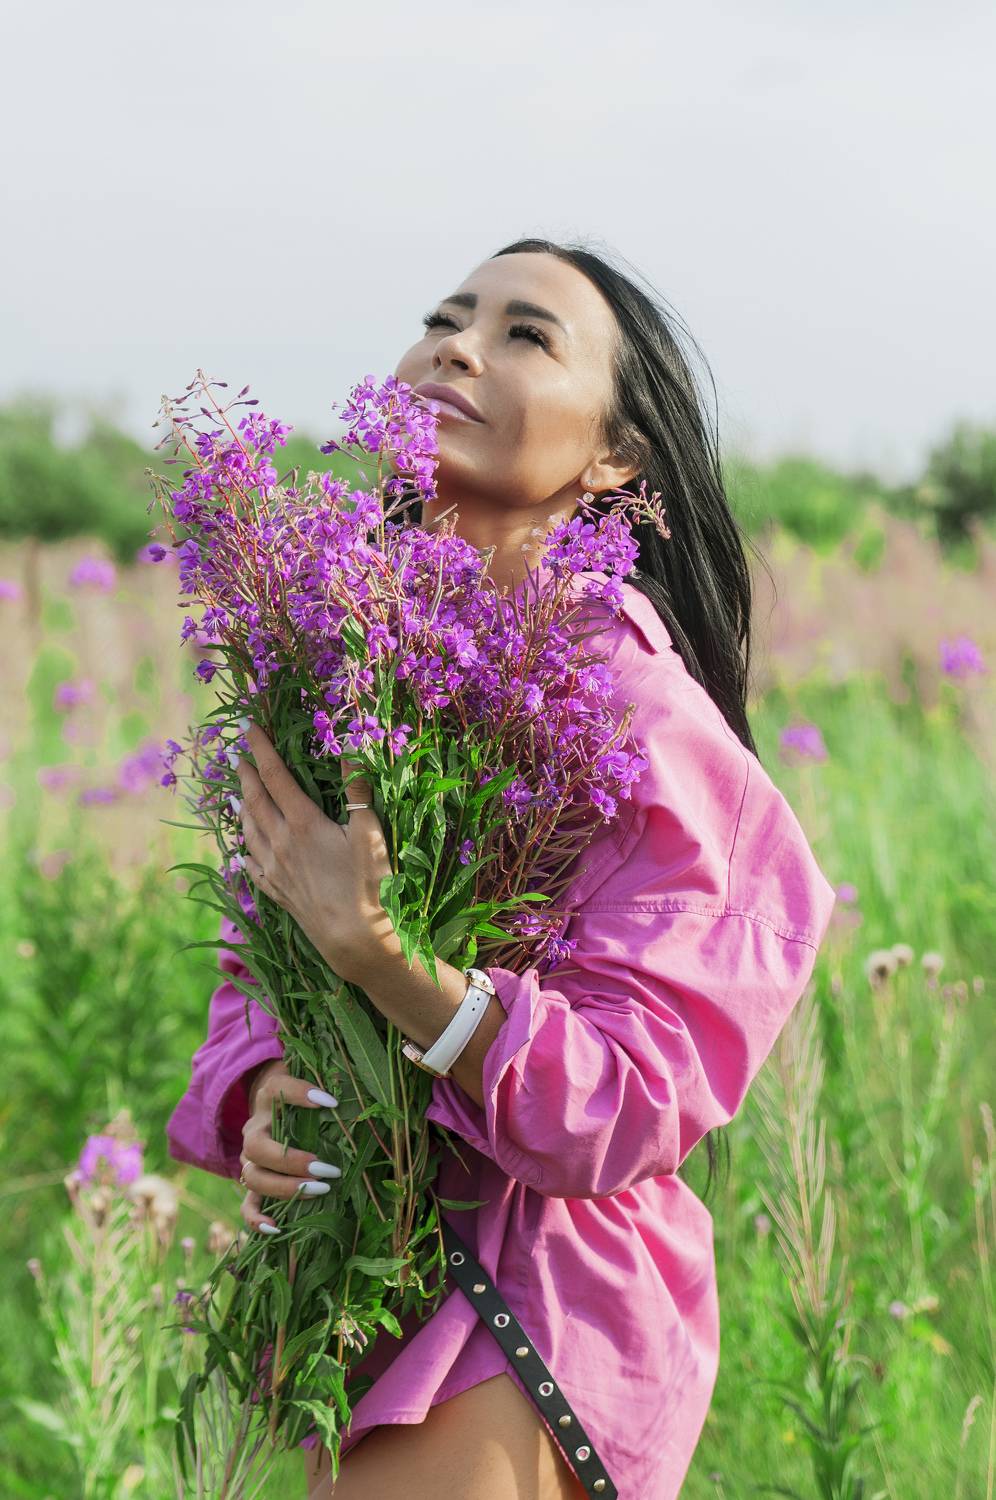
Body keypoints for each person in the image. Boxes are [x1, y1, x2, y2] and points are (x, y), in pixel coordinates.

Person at [166, 239, 838, 1499]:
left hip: (531, 1298)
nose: (458, 348)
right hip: (349, 1296)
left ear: (615, 458)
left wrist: (385, 962)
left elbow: (632, 1097)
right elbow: (262, 955)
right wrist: (264, 1097)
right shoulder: (336, 666)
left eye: (527, 335)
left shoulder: (633, 706)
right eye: (444, 318)